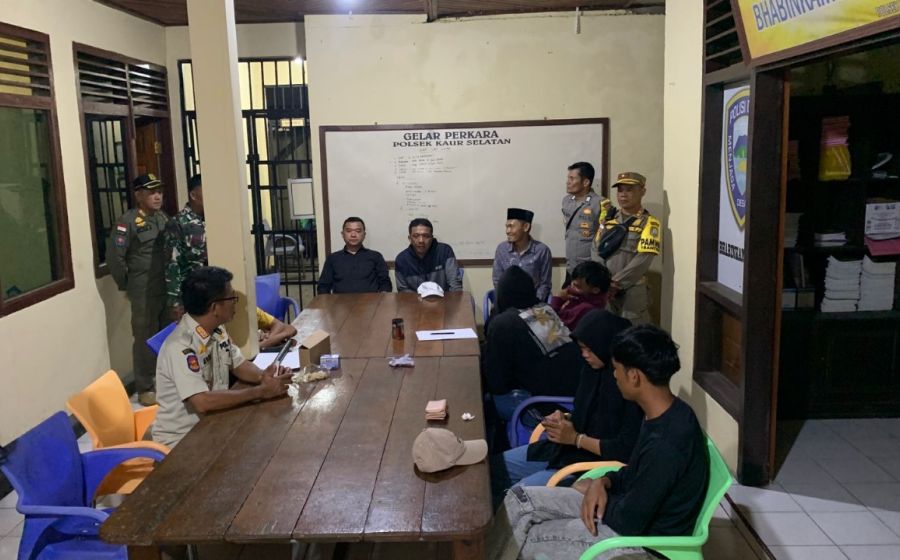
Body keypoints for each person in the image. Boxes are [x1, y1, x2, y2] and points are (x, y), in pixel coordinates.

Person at [487, 325, 709, 560]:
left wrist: (600, 493)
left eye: (617, 369)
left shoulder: (668, 443)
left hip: (642, 544)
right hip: (620, 507)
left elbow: (629, 521)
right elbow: (633, 473)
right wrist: (603, 481)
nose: (614, 376)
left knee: (528, 537)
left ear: (634, 376)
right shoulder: (662, 413)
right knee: (519, 499)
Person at [491, 309, 639, 507]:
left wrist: (577, 439)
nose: (584, 355)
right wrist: (563, 419)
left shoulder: (628, 387)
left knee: (516, 499)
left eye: (589, 349)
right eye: (582, 349)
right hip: (564, 450)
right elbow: (584, 414)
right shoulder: (592, 371)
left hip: (589, 466)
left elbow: (624, 449)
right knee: (493, 469)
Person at [152, 266, 292, 447]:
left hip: (214, 423)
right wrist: (260, 391)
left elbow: (238, 364)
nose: (235, 303)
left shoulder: (217, 330)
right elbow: (202, 401)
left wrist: (263, 376)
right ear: (215, 307)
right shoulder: (181, 346)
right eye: (232, 298)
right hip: (183, 440)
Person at [482, 266, 583, 422]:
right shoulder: (545, 309)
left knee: (484, 402)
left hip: (547, 407)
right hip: (576, 398)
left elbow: (498, 383)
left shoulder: (503, 323)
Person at [108, 173, 170, 407]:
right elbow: (115, 259)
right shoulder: (128, 222)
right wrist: (129, 285)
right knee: (145, 338)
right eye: (152, 192)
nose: (157, 196)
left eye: (159, 192)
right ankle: (145, 387)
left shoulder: (162, 218)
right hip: (143, 290)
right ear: (139, 195)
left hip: (165, 287)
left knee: (166, 335)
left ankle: (165, 381)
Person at [593, 172, 661, 325]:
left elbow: (643, 259)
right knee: (606, 329)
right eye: (620, 190)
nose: (623, 194)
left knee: (633, 332)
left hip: (632, 292)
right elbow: (595, 248)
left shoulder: (649, 223)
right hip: (605, 290)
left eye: (629, 190)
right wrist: (602, 280)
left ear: (642, 191)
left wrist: (616, 283)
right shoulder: (608, 220)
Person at [165, 173, 206, 321]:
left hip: (213, 291)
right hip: (191, 294)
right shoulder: (178, 223)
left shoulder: (214, 219)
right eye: (206, 189)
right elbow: (173, 264)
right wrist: (175, 302)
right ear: (193, 195)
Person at [317, 217, 392, 294]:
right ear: (342, 234)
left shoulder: (376, 256)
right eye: (348, 231)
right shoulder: (333, 258)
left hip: (371, 300)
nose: (353, 235)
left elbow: (385, 282)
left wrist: (383, 294)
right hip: (341, 301)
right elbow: (323, 286)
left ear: (364, 234)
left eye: (358, 231)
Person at [493, 208, 552, 302]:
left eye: (511, 226)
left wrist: (535, 302)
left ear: (526, 227)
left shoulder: (542, 251)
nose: (507, 231)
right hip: (507, 303)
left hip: (533, 303)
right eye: (506, 227)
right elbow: (497, 281)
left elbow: (545, 284)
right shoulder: (502, 249)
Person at [562, 162, 606, 287]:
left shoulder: (600, 204)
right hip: (571, 267)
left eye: (572, 178)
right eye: (568, 178)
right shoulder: (566, 201)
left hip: (589, 270)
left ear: (586, 182)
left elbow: (603, 238)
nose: (568, 182)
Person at [394, 218, 462, 293]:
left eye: (426, 236)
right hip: (414, 300)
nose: (421, 240)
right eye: (416, 236)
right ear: (410, 238)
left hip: (443, 299)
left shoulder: (445, 252)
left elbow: (455, 286)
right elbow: (403, 290)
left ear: (432, 238)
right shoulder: (402, 259)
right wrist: (418, 300)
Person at [549, 261, 611, 331]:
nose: (571, 287)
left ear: (595, 290)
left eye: (577, 286)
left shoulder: (585, 308)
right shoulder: (579, 297)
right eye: (572, 283)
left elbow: (551, 322)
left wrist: (558, 298)